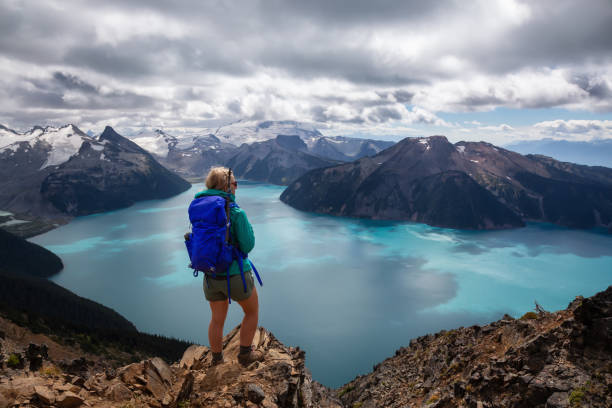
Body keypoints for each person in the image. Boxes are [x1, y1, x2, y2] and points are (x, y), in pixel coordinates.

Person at [194, 167, 263, 366]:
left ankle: (216, 360)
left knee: (217, 319)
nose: (237, 187)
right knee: (251, 312)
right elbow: (248, 244)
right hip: (236, 275)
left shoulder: (200, 207)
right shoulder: (235, 212)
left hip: (211, 274)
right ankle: (245, 355)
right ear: (227, 187)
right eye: (235, 183)